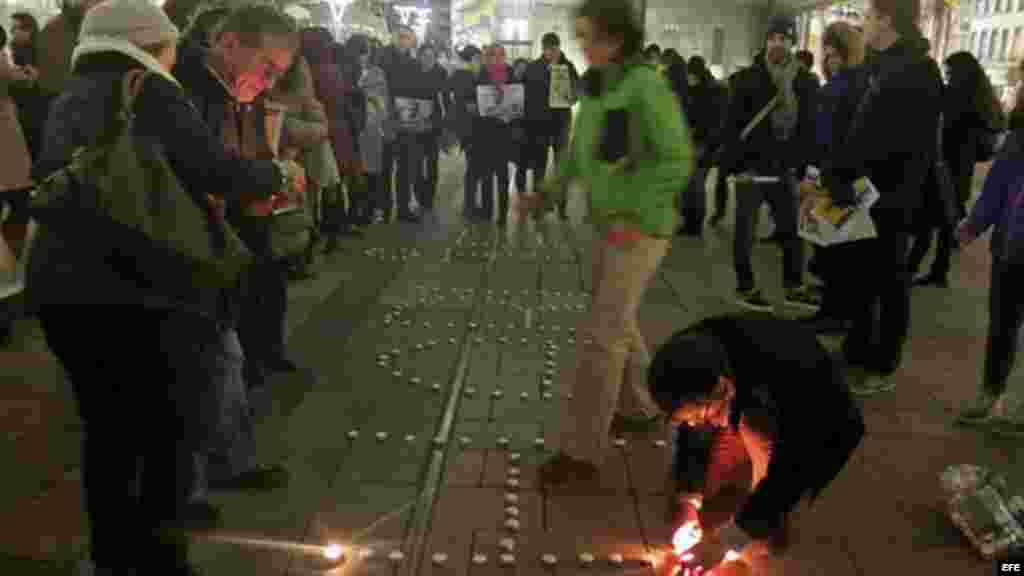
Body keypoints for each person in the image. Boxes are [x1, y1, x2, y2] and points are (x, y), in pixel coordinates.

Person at [29, 0, 301, 572]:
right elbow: (213, 170)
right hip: (138, 293)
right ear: (153, 44)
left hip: (62, 290)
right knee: (164, 437)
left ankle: (112, 558)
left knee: (107, 435)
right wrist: (277, 173)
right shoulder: (147, 88)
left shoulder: (72, 94)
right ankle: (157, 562)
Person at [522, 0, 693, 484]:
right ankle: (640, 405)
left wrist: (635, 215)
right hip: (608, 225)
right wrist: (548, 194)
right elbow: (580, 153)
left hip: (639, 230)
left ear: (615, 40)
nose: (581, 46)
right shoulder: (598, 86)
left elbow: (677, 160)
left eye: (588, 38)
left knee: (602, 335)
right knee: (616, 319)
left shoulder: (646, 86)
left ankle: (581, 454)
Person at [648, 314, 864, 573]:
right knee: (706, 480)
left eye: (700, 415)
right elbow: (691, 427)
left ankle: (765, 514)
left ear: (724, 389)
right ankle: (742, 488)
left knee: (770, 521)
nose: (693, 423)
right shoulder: (690, 359)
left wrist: (727, 541)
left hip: (819, 421)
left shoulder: (786, 385)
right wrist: (688, 501)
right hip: (749, 393)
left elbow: (789, 471)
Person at [821, 0, 944, 395]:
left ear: (888, 20)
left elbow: (905, 141)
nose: (865, 24)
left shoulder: (917, 70)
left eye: (870, 17)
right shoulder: (880, 65)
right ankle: (857, 348)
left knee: (890, 281)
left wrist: (870, 177)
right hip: (866, 188)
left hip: (892, 193)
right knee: (861, 273)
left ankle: (882, 362)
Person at [719, 15, 819, 314]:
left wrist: (806, 169)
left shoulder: (805, 82)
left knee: (791, 230)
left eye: (784, 39)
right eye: (773, 38)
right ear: (765, 41)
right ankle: (745, 286)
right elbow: (731, 126)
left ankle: (793, 286)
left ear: (792, 42)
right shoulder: (746, 79)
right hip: (752, 167)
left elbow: (809, 129)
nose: (777, 44)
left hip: (784, 168)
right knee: (745, 231)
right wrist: (736, 167)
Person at [797, 21, 869, 335]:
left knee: (829, 250)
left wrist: (812, 177)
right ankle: (841, 312)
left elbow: (821, 141)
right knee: (846, 253)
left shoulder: (835, 89)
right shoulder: (869, 84)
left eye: (831, 52)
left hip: (831, 181)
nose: (828, 59)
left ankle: (831, 314)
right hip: (857, 182)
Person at [909, 51, 1002, 289]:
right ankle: (938, 271)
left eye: (949, 72)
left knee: (926, 222)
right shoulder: (982, 99)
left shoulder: (954, 97)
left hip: (942, 168)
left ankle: (909, 269)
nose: (947, 76)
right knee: (944, 224)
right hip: (961, 171)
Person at [955, 130, 1024, 431]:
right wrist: (973, 225)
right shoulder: (1017, 140)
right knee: (1002, 324)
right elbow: (997, 188)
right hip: (1011, 247)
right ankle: (990, 392)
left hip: (1013, 244)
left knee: (1003, 323)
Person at [523, 32, 578, 218]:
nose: (552, 53)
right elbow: (527, 95)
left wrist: (572, 97)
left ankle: (562, 208)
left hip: (561, 124)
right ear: (543, 49)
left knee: (561, 167)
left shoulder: (568, 67)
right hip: (540, 125)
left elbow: (576, 91)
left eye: (555, 49)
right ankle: (538, 207)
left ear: (559, 48)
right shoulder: (534, 68)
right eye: (548, 49)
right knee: (539, 167)